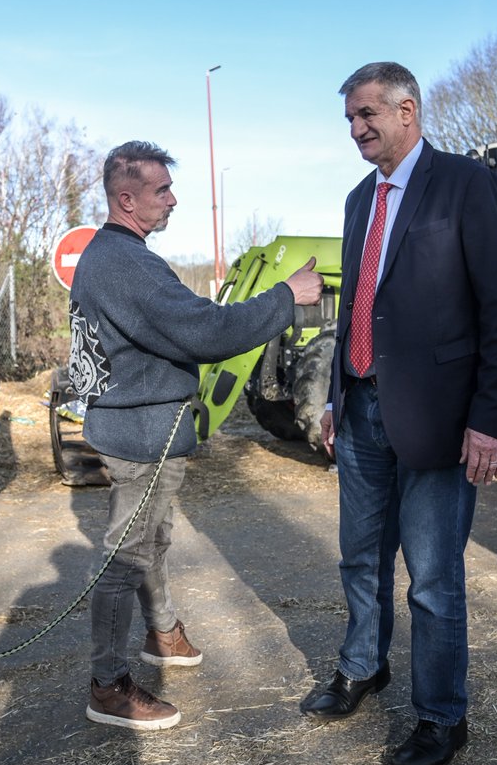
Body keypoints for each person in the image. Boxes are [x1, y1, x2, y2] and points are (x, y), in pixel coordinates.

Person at [301, 62, 497, 765]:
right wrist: (339, 395)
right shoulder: (355, 201)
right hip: (364, 408)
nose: (356, 129)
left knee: (432, 578)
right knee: (359, 557)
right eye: (349, 119)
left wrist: (491, 420)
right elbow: (357, 307)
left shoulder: (465, 184)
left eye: (367, 114)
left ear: (408, 110)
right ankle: (364, 667)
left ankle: (441, 716)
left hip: (439, 417)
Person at [68, 140, 323, 730]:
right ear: (126, 199)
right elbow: (205, 331)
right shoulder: (127, 263)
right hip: (141, 433)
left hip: (141, 427)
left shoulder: (110, 256)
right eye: (162, 191)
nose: (174, 199)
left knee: (150, 542)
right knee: (126, 556)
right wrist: (286, 296)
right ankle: (106, 686)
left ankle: (163, 632)